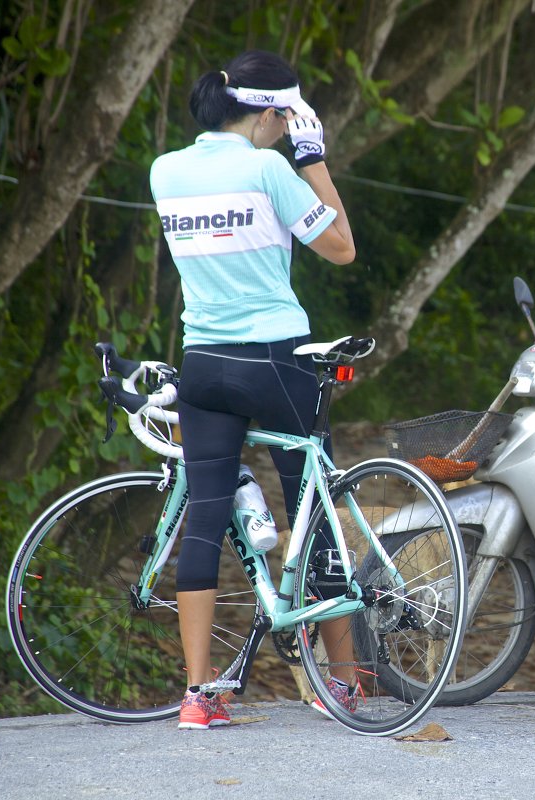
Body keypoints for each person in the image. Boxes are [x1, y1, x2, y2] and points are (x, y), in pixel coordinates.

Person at [150, 50, 357, 730]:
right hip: (274, 356)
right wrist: (312, 154)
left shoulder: (166, 170)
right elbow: (341, 246)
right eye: (286, 119)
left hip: (202, 359)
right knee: (313, 504)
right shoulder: (271, 166)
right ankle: (347, 683)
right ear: (273, 114)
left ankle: (198, 695)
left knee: (205, 516)